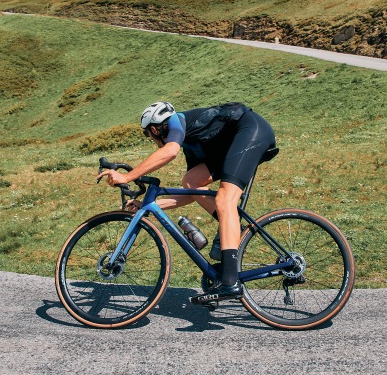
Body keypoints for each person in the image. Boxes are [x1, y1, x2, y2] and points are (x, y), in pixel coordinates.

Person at [98, 101, 277, 303]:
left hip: (252, 131)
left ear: (155, 129)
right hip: (238, 142)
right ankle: (234, 227)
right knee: (191, 181)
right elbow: (191, 193)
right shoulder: (192, 146)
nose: (152, 139)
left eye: (149, 135)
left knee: (225, 199)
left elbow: (169, 152)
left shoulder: (177, 120)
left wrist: (127, 177)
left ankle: (230, 283)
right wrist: (149, 206)